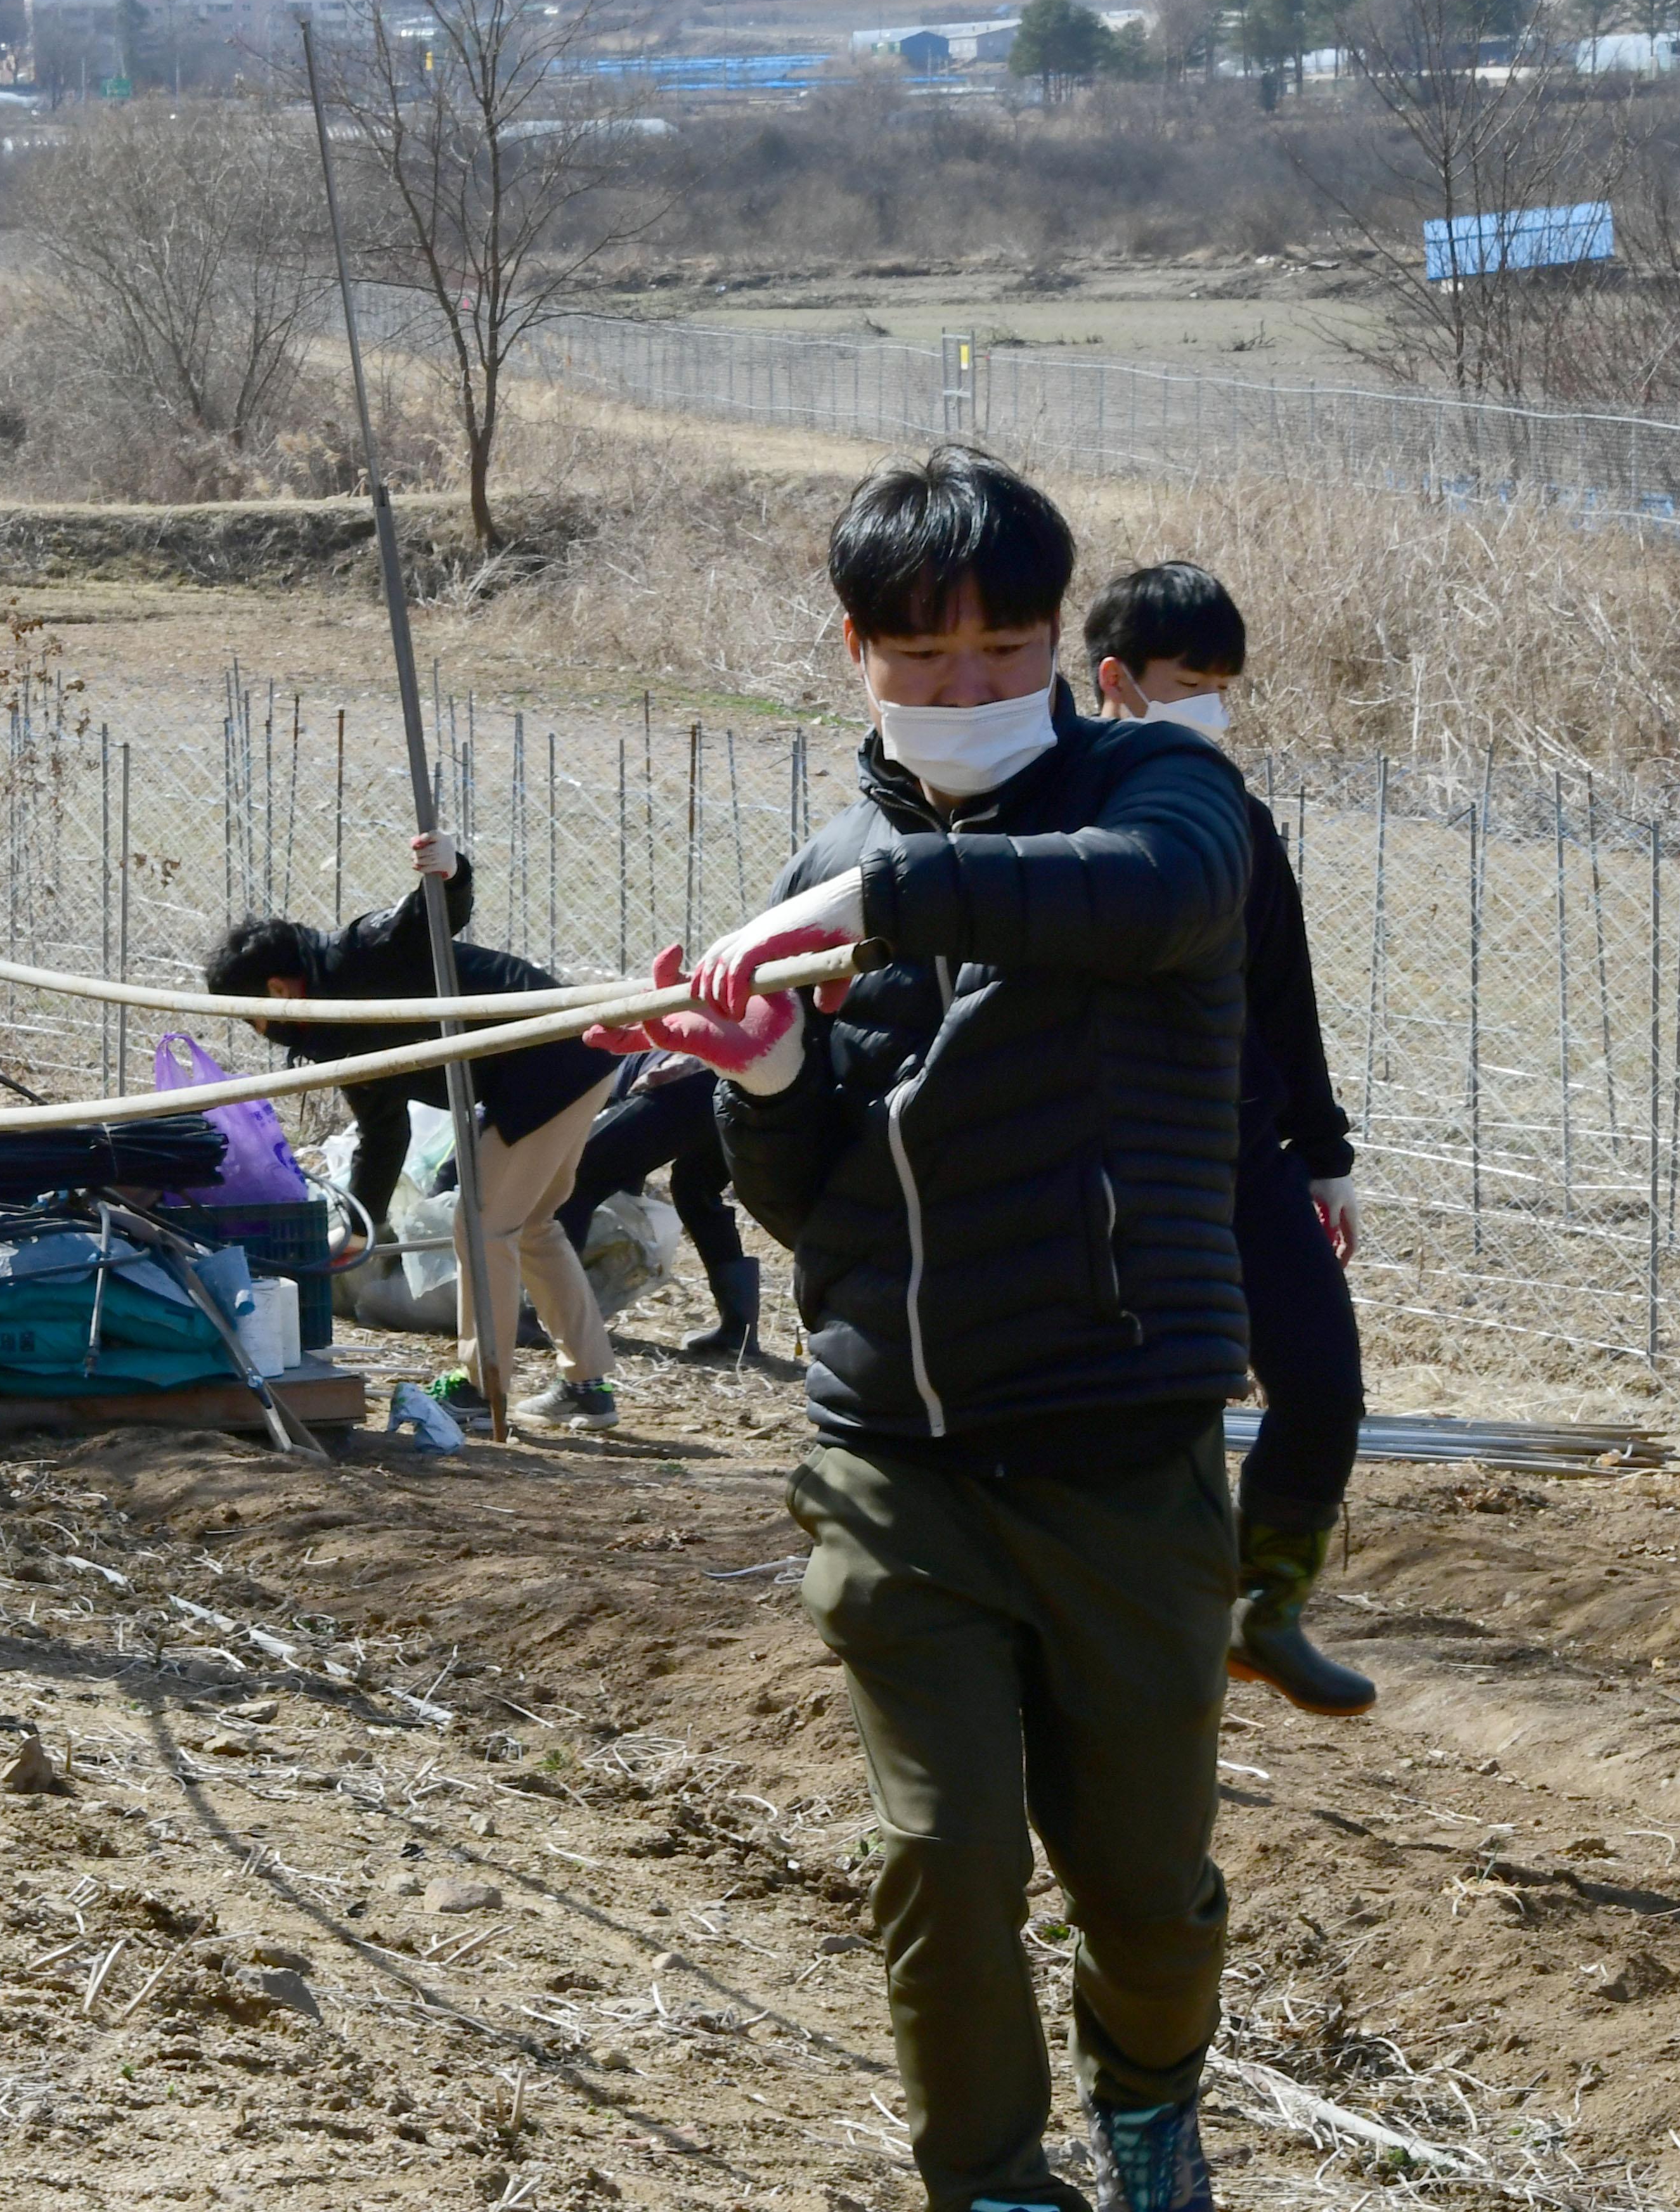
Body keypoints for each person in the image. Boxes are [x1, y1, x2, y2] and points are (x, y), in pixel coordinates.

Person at [599, 447, 1249, 2212]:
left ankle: (1149, 2092)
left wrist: (872, 908)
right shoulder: (832, 862)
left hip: (1125, 1447)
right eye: (923, 658)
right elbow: (817, 1206)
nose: (965, 691)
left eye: (1005, 652)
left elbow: (1146, 902)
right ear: (853, 649)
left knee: (1144, 1888)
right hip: (898, 1460)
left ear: (1062, 644)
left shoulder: (1168, 803)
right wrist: (767, 1070)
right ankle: (990, 2181)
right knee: (942, 1861)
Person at [1087, 562, 1374, 1718]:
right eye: (1183, 683)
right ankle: (1123, 1638)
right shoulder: (1058, 812)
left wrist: (1325, 1150)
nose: (1208, 705)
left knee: (1322, 1383)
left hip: (1245, 1152)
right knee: (1153, 1410)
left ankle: (1267, 1605)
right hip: (1110, 1159)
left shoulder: (1238, 819)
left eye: (1221, 685)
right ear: (1115, 682)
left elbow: (1282, 992)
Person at [205, 837, 624, 1427]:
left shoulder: (358, 953)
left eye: (252, 1016)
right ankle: (586, 1384)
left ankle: (483, 1388)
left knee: (481, 1224)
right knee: (530, 1224)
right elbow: (383, 1135)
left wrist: (452, 873)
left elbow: (427, 915)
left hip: (550, 1058)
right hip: (570, 1061)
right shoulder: (333, 1028)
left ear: (277, 988)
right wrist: (357, 1236)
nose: (259, 1030)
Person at [553, 1051, 767, 1364]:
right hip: (745, 1081)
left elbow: (616, 1166)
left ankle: (547, 1316)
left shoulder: (588, 1076)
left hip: (688, 1077)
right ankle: (739, 1332)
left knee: (575, 1177)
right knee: (695, 1190)